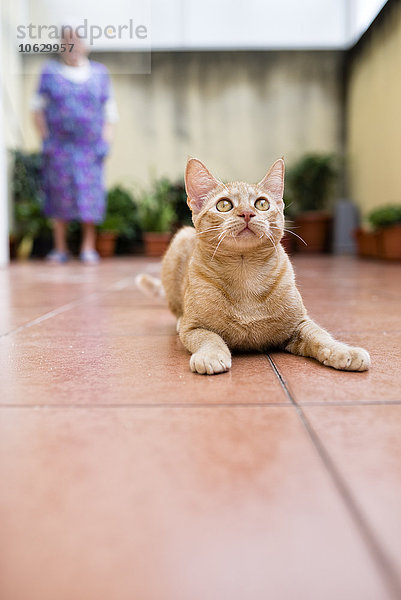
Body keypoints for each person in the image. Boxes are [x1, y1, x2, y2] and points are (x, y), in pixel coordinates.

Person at [31, 25, 118, 264]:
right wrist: (46, 139)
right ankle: (60, 248)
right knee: (59, 195)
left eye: (77, 40)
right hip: (59, 147)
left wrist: (104, 142)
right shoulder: (49, 72)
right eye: (67, 40)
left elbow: (110, 112)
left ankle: (88, 247)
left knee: (90, 197)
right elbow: (36, 110)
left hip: (90, 149)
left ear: (86, 45)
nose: (72, 46)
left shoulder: (100, 73)